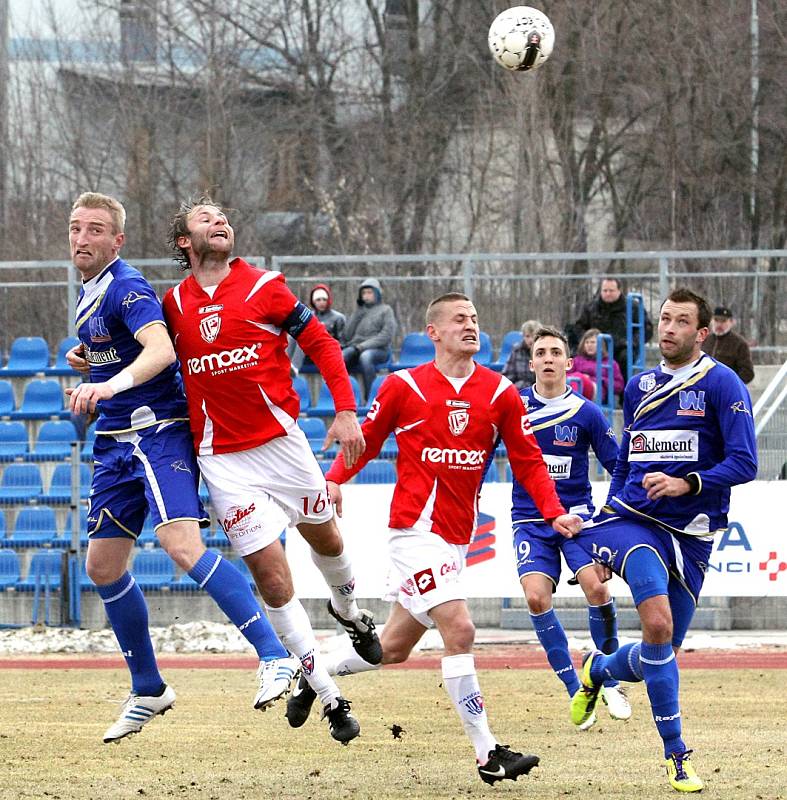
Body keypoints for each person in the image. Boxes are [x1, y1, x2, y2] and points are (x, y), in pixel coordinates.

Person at [287, 293, 583, 785]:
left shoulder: (500, 392)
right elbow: (368, 438)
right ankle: (488, 754)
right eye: (460, 319)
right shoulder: (404, 385)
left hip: (454, 538)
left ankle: (314, 671)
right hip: (414, 532)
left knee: (393, 647)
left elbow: (528, 459)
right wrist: (336, 477)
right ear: (434, 332)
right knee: (460, 630)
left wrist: (552, 513)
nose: (471, 326)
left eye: (475, 319)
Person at [65, 192, 295, 744]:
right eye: (76, 228)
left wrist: (109, 382)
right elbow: (114, 348)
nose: (82, 238)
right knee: (102, 566)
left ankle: (275, 655)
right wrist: (91, 361)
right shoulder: (89, 294)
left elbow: (160, 351)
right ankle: (148, 688)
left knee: (183, 548)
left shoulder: (127, 286)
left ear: (116, 241)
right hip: (114, 444)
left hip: (157, 432)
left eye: (96, 230)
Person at [162, 196, 383, 744]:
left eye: (223, 216)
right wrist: (92, 359)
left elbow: (324, 345)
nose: (220, 221)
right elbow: (138, 349)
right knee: (272, 577)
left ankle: (351, 613)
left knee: (327, 538)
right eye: (205, 218)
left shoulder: (266, 286)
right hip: (222, 459)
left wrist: (347, 409)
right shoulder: (172, 304)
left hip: (282, 446)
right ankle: (331, 696)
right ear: (184, 242)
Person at [567, 287, 757, 792]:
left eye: (680, 322)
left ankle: (597, 671)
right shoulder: (639, 385)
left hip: (693, 532)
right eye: (664, 319)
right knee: (657, 620)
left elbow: (746, 463)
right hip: (635, 521)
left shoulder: (723, 384)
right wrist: (602, 532)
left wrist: (686, 483)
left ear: (700, 333)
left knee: (662, 648)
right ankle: (678, 758)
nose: (667, 328)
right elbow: (626, 462)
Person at [506, 325, 630, 728]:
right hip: (530, 518)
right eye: (540, 352)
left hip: (578, 518)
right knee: (537, 599)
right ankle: (576, 691)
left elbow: (619, 468)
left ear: (568, 362)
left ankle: (608, 677)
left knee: (598, 587)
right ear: (531, 362)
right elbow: (483, 450)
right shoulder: (514, 407)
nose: (547, 358)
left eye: (555, 352)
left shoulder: (587, 412)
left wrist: (611, 521)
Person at [568, 277, 653, 378]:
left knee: (625, 357)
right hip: (596, 349)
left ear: (619, 290)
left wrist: (632, 342)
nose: (608, 293)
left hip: (621, 349)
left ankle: (623, 391)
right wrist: (588, 341)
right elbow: (579, 327)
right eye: (605, 290)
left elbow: (646, 329)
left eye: (611, 290)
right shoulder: (591, 308)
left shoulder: (633, 307)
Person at [341, 277, 396, 399]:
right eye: (364, 293)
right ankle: (346, 397)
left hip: (379, 350)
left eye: (369, 292)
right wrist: (357, 313)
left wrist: (362, 347)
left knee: (366, 357)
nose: (366, 296)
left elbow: (386, 336)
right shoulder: (359, 312)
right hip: (355, 348)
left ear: (377, 293)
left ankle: (371, 398)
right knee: (341, 357)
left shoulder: (386, 310)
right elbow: (347, 336)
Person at [289, 283, 346, 376]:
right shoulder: (308, 315)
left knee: (305, 339)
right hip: (310, 352)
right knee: (294, 336)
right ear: (314, 301)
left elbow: (342, 341)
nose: (321, 302)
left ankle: (294, 368)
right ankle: (286, 364)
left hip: (327, 351)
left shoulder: (338, 318)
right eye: (318, 300)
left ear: (328, 301)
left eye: (324, 299)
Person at [701, 305, 754, 384]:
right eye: (716, 320)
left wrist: (730, 385)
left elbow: (747, 373)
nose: (719, 324)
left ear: (731, 322)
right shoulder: (704, 340)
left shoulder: (739, 344)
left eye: (723, 321)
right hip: (704, 389)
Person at [572, 328, 625, 400]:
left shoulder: (609, 363)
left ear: (601, 344)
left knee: (579, 377)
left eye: (593, 342)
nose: (589, 345)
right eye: (587, 342)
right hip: (577, 386)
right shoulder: (576, 360)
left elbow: (619, 386)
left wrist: (600, 380)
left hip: (596, 392)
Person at [502, 319, 539, 389]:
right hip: (520, 389)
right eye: (527, 336)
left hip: (539, 391)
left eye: (534, 336)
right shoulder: (516, 350)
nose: (531, 340)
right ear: (523, 336)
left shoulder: (545, 352)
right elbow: (508, 375)